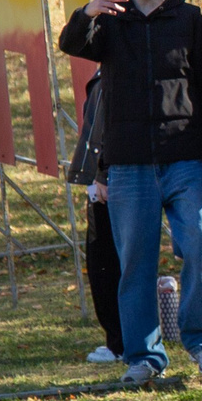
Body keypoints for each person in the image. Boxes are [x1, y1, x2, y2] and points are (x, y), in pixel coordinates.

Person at [57, 0, 202, 386]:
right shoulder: (110, 20)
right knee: (135, 260)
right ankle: (144, 357)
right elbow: (71, 44)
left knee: (200, 240)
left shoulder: (189, 19)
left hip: (185, 158)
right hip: (128, 163)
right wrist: (89, 11)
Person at [67, 74, 125, 365]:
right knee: (102, 259)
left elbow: (112, 125)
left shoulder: (121, 69)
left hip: (112, 178)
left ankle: (121, 342)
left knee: (109, 261)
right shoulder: (105, 71)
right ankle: (117, 341)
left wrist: (102, 174)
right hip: (102, 177)